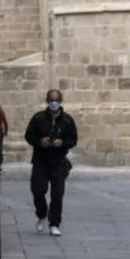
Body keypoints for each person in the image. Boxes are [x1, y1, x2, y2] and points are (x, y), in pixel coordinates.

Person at [24, 89, 77, 237]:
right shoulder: (38, 118)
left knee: (57, 194)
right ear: (47, 101)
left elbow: (73, 140)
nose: (54, 103)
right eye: (51, 100)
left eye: (57, 100)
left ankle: (54, 223)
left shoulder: (67, 120)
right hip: (41, 161)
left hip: (59, 162)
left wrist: (63, 143)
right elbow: (29, 136)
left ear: (60, 101)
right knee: (38, 191)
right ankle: (42, 213)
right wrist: (40, 142)